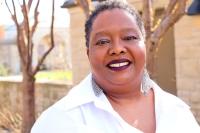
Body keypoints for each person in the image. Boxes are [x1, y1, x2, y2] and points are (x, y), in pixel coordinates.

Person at [31, 1, 200, 133]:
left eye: (129, 37)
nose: (117, 48)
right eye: (103, 41)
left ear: (145, 46)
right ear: (88, 54)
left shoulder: (178, 112)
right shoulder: (58, 122)